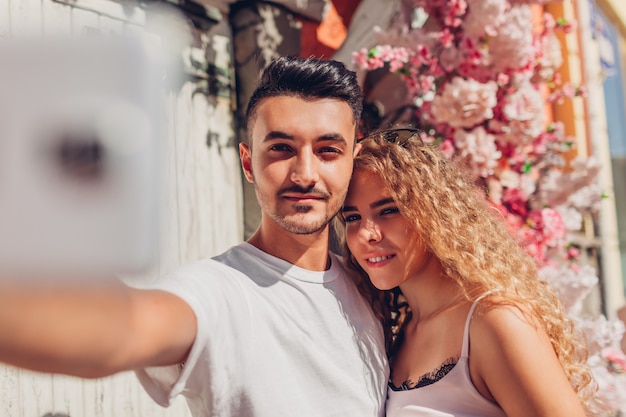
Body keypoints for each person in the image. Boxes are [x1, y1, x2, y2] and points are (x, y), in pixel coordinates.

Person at [0, 56, 389, 417]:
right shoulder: (218, 292)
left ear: (352, 161)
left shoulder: (370, 284)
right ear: (248, 163)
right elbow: (118, 329)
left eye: (327, 150)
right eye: (281, 148)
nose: (305, 174)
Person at [339, 129, 596, 417]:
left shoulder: (495, 321)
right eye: (352, 217)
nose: (366, 234)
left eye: (388, 210)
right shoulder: (397, 331)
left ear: (433, 211)